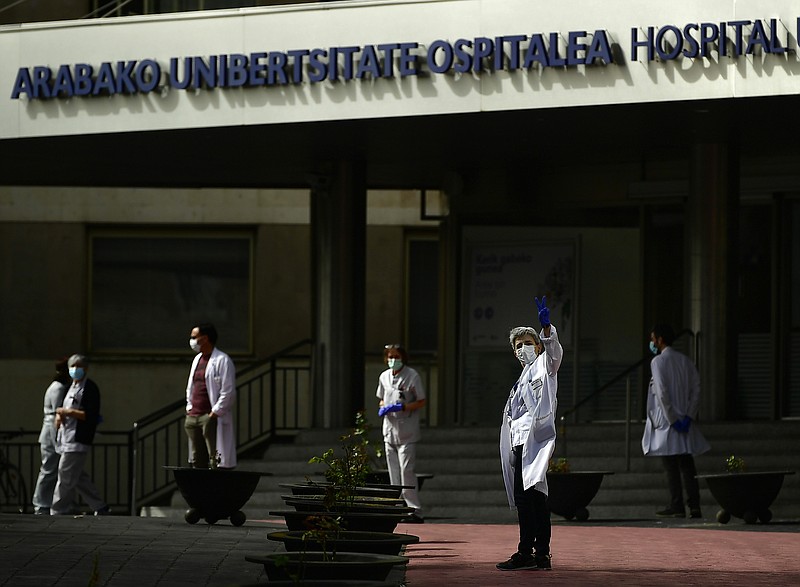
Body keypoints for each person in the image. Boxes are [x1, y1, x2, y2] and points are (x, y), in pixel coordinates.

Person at [497, 296, 563, 572]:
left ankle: (529, 552)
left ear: (537, 346)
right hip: (520, 442)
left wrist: (547, 330)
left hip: (533, 440)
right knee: (532, 499)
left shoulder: (544, 367)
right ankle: (539, 554)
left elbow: (554, 354)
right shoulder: (521, 378)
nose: (524, 348)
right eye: (518, 345)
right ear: (514, 352)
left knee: (530, 499)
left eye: (528, 343)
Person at [642, 323, 710, 518]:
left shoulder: (658, 362)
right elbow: (696, 389)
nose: (652, 343)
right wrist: (688, 415)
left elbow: (662, 393)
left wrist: (672, 419)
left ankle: (677, 505)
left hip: (667, 421)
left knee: (671, 465)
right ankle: (694, 506)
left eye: (653, 339)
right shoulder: (685, 361)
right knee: (687, 464)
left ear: (660, 340)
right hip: (683, 420)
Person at [51, 354, 109, 516]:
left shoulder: (89, 388)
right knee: (78, 476)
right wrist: (59, 416)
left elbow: (89, 414)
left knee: (65, 474)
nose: (75, 370)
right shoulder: (71, 387)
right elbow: (61, 408)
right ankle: (100, 506)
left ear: (86, 368)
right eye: (73, 366)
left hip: (78, 439)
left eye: (79, 366)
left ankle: (57, 509)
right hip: (66, 437)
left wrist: (68, 412)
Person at [376, 343, 426, 523]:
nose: (393, 360)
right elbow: (381, 399)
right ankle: (396, 508)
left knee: (407, 471)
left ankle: (414, 510)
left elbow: (421, 401)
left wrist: (403, 406)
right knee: (393, 472)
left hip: (407, 430)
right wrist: (384, 408)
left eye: (396, 357)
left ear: (403, 358)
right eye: (390, 357)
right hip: (389, 429)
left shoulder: (412, 376)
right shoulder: (384, 376)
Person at [184, 323, 237, 469]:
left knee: (215, 460)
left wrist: (214, 413)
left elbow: (228, 392)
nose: (192, 341)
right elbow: (191, 386)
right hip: (194, 416)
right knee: (197, 460)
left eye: (194, 337)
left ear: (205, 338)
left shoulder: (222, 360)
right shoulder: (198, 359)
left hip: (211, 417)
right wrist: (190, 407)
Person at [31, 357, 71, 515]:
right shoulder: (58, 388)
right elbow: (57, 414)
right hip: (51, 434)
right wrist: (58, 441)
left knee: (52, 470)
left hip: (52, 433)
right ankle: (41, 504)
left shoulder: (59, 387)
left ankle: (47, 503)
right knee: (48, 470)